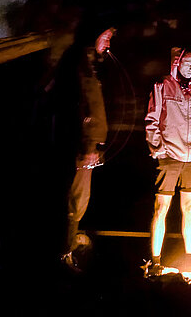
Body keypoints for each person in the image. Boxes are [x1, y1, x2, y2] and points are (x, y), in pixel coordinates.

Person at [144, 47, 191, 275]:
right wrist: (158, 148)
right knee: (162, 207)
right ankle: (155, 260)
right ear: (177, 62)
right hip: (170, 156)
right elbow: (151, 119)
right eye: (188, 63)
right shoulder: (162, 86)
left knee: (190, 208)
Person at [58, 19, 116, 271]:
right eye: (105, 36)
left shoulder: (89, 66)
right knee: (75, 202)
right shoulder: (81, 66)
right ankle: (63, 255)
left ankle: (66, 247)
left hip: (89, 147)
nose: (108, 43)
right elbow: (82, 107)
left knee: (79, 201)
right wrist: (89, 145)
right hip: (84, 149)